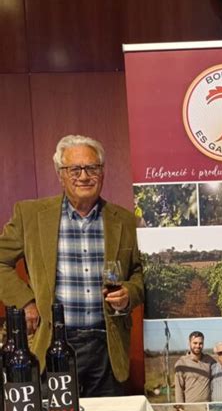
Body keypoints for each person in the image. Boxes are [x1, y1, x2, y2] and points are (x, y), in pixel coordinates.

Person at [0, 134, 143, 397]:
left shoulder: (124, 220)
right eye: (74, 169)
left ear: (103, 172)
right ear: (60, 174)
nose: (84, 176)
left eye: (92, 168)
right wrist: (25, 301)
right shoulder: (30, 215)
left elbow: (140, 273)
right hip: (54, 344)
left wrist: (129, 294)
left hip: (107, 349)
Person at [174, 331, 213, 402]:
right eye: (195, 343)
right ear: (189, 343)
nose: (198, 346)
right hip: (191, 407)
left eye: (200, 343)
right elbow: (179, 389)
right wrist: (180, 407)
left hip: (207, 407)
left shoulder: (209, 360)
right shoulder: (181, 363)